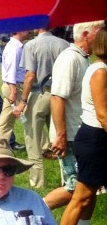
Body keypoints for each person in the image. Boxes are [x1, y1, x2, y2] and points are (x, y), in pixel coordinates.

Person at [44, 20, 104, 211]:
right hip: (70, 135)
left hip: (80, 132)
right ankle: (33, 211)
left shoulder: (84, 58)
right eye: (99, 32)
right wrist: (61, 135)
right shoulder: (70, 58)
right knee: (74, 187)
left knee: (89, 187)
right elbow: (57, 98)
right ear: (86, 35)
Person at [12, 27, 70, 188]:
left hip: (39, 93)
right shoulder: (64, 44)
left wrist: (23, 100)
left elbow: (30, 75)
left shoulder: (31, 45)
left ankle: (37, 182)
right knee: (59, 138)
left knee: (33, 140)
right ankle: (67, 178)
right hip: (60, 95)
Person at [60, 27, 106, 225]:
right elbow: (103, 115)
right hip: (95, 139)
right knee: (81, 197)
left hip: (97, 138)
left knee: (89, 194)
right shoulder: (101, 72)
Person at [0, 30, 29, 149]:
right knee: (29, 117)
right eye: (27, 29)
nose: (29, 31)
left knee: (6, 120)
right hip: (15, 87)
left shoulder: (15, 46)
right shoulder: (14, 48)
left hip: (14, 86)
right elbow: (10, 72)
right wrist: (14, 92)